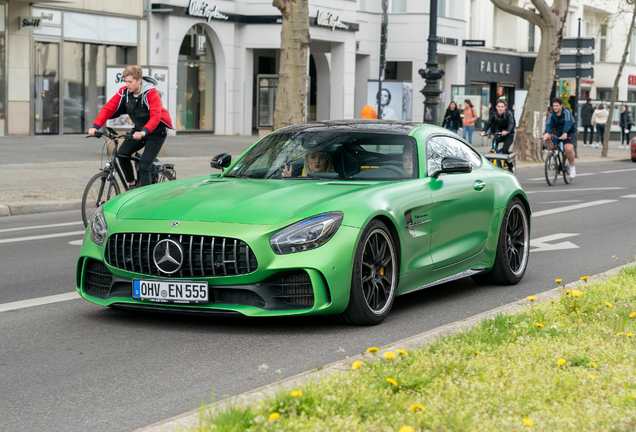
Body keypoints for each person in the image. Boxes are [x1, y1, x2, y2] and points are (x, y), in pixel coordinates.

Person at [88, 65, 173, 188]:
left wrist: (144, 131)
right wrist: (96, 126)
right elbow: (108, 108)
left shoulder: (151, 93)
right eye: (126, 81)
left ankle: (144, 198)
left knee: (144, 165)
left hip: (155, 133)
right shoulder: (124, 92)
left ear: (139, 80)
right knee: (122, 154)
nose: (127, 85)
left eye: (130, 82)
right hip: (138, 131)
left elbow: (155, 116)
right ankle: (133, 184)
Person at [542, 97, 577, 178]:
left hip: (569, 131)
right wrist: (547, 133)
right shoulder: (552, 115)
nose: (555, 107)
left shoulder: (566, 113)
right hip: (558, 131)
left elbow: (568, 123)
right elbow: (548, 123)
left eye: (557, 106)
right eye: (553, 106)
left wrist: (565, 133)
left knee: (568, 149)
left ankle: (572, 167)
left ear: (561, 106)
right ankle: (552, 156)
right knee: (548, 138)